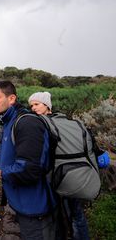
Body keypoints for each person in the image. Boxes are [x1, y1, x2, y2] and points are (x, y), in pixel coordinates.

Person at [0, 81, 57, 240]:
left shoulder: (27, 123)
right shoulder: (8, 122)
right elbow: (6, 154)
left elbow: (30, 169)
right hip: (19, 203)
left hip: (35, 208)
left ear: (11, 99)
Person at [28, 91, 90, 240]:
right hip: (74, 172)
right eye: (31, 106)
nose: (33, 108)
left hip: (57, 175)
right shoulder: (65, 120)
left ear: (47, 105)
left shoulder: (43, 124)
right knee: (76, 213)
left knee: (65, 213)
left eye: (36, 104)